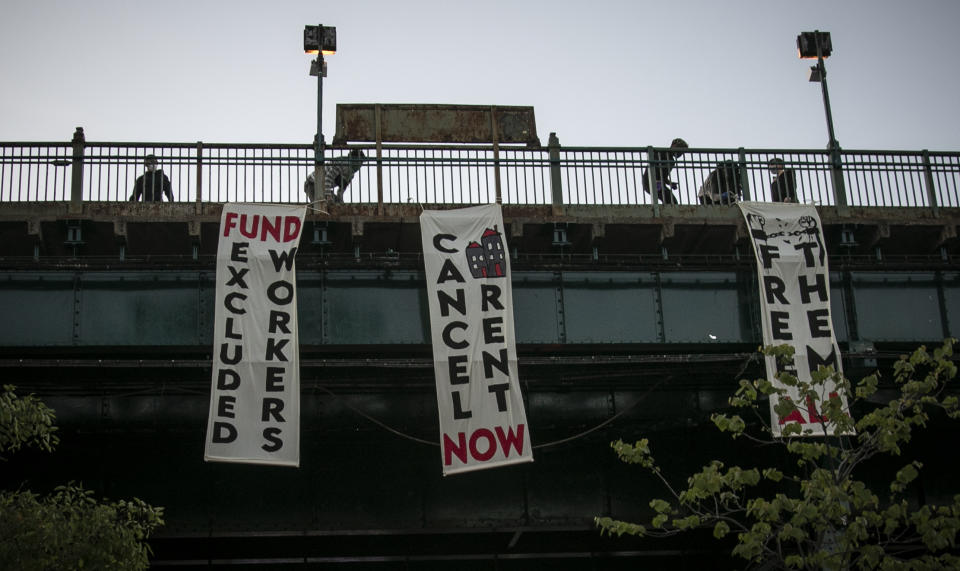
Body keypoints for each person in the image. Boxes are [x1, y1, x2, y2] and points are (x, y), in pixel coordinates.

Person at [304, 149, 368, 203]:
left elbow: (341, 190)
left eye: (361, 163)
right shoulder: (341, 164)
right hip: (312, 183)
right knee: (318, 206)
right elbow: (328, 178)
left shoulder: (351, 174)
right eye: (360, 162)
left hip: (324, 187)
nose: (360, 165)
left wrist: (341, 202)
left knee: (336, 203)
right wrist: (328, 196)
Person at [642, 138, 688, 205]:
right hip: (651, 182)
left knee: (671, 201)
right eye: (680, 151)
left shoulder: (671, 161)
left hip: (657, 183)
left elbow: (664, 177)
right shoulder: (662, 153)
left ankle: (662, 213)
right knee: (672, 201)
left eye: (682, 153)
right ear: (673, 146)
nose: (680, 154)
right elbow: (655, 168)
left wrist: (670, 183)